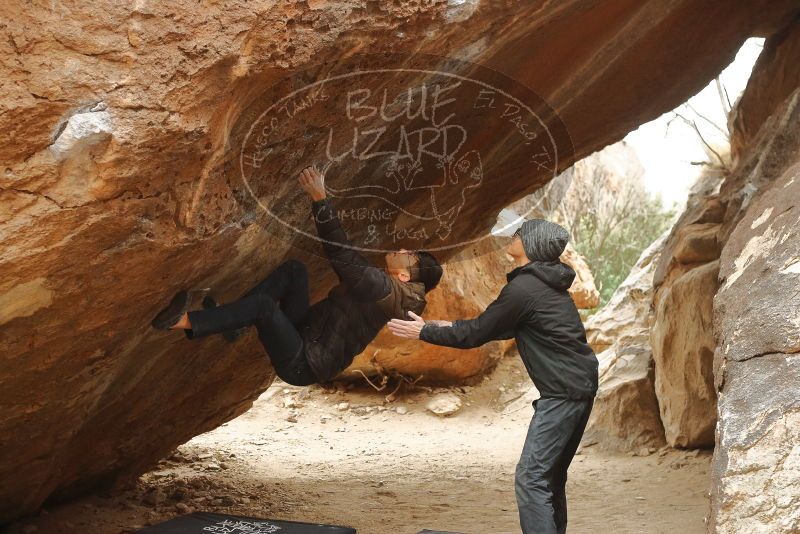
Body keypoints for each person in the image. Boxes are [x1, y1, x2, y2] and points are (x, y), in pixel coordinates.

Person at [388, 219, 598, 534]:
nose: (513, 235)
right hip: (576, 387)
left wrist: (424, 331)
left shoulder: (526, 287)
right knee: (549, 478)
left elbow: (477, 333)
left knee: (531, 478)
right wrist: (442, 326)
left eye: (519, 232)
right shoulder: (541, 285)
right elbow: (494, 326)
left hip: (563, 393)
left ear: (531, 244)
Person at [151, 166, 443, 386]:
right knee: (294, 271)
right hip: (306, 336)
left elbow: (341, 255)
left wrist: (320, 199)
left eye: (411, 255)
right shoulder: (390, 291)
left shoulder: (384, 290)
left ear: (404, 275)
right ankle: (234, 327)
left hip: (304, 364)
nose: (403, 248)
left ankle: (181, 321)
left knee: (264, 308)